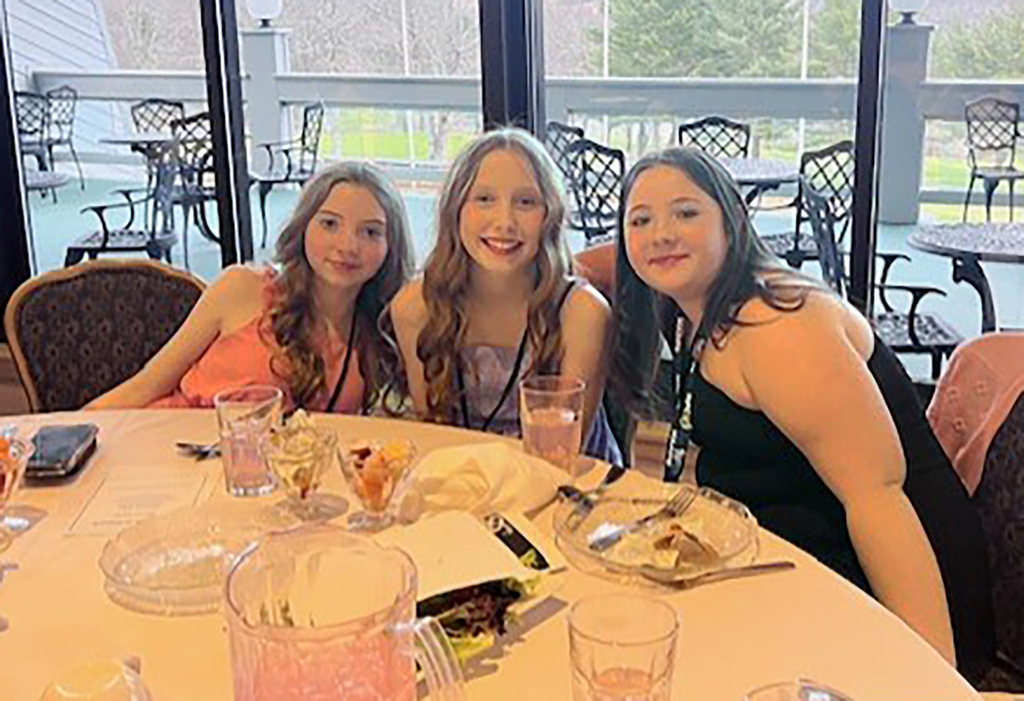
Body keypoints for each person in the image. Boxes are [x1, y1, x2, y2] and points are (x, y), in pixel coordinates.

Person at [611, 147, 993, 681]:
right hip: (791, 570)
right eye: (640, 220)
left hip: (893, 589)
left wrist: (929, 675)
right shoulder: (692, 306)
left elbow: (879, 501)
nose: (661, 234)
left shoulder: (774, 326)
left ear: (734, 220)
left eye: (687, 213)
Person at [87, 162, 413, 414]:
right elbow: (147, 385)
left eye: (370, 232)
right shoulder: (243, 289)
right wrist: (72, 432)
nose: (347, 245)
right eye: (329, 224)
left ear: (391, 246)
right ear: (303, 228)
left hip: (275, 484)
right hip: (176, 458)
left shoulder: (382, 329)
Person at [391, 128, 621, 463]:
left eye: (526, 202)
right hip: (467, 480)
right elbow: (434, 431)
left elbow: (563, 455)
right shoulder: (416, 307)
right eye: (484, 199)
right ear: (455, 211)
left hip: (569, 487)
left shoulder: (582, 313)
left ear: (550, 216)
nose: (504, 221)